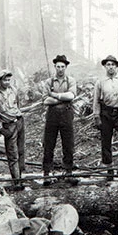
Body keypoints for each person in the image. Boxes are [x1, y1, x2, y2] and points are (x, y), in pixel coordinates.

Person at [42, 54, 78, 186]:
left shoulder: (71, 81)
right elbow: (45, 100)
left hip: (67, 115)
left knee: (68, 144)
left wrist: (55, 96)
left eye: (63, 66)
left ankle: (68, 172)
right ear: (55, 67)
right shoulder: (49, 82)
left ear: (66, 67)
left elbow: (71, 96)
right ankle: (47, 173)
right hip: (52, 115)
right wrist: (62, 98)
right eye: (58, 66)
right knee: (49, 143)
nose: (60, 69)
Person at [0, 69, 26, 191]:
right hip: (8, 126)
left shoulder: (13, 90)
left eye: (8, 79)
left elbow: (18, 105)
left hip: (19, 122)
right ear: (0, 81)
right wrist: (0, 127)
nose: (7, 82)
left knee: (21, 151)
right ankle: (16, 182)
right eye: (4, 80)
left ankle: (21, 178)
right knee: (13, 154)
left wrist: (19, 118)